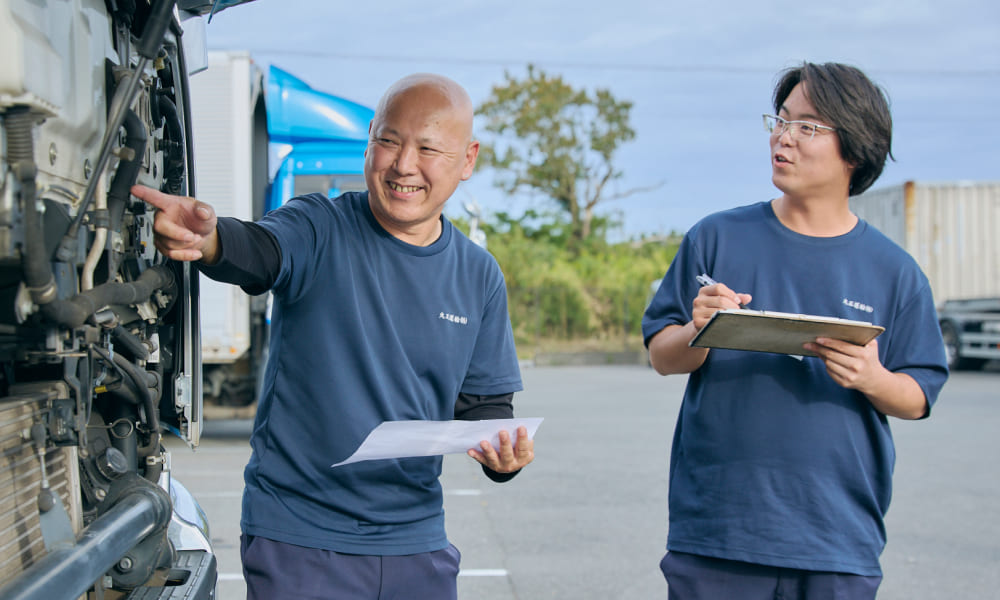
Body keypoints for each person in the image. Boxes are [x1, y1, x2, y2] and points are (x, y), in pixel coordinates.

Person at [132, 73, 534, 599]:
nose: (404, 164)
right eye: (388, 140)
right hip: (301, 541)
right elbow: (260, 249)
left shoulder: (478, 274)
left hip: (416, 542)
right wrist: (209, 239)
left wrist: (505, 454)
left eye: (429, 148)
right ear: (370, 140)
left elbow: (485, 407)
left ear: (467, 159)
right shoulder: (319, 226)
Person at [641, 62, 948, 600]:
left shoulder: (894, 270)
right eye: (780, 120)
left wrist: (871, 377)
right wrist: (699, 329)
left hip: (837, 539)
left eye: (808, 127)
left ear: (854, 147)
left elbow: (919, 395)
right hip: (718, 532)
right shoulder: (717, 237)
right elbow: (662, 355)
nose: (783, 137)